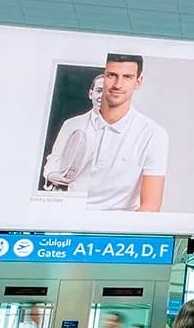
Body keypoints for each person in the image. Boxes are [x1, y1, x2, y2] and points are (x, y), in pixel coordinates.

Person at [44, 55, 168, 212]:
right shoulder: (71, 125)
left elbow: (150, 206)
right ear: (91, 93)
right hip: (69, 219)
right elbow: (51, 165)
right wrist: (59, 177)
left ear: (138, 82)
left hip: (117, 230)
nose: (118, 84)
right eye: (112, 75)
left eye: (127, 77)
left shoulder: (153, 133)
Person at [42, 74, 104, 190]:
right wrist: (50, 174)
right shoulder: (71, 124)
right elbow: (55, 158)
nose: (103, 96)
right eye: (99, 90)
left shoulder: (126, 129)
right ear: (91, 94)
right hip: (73, 195)